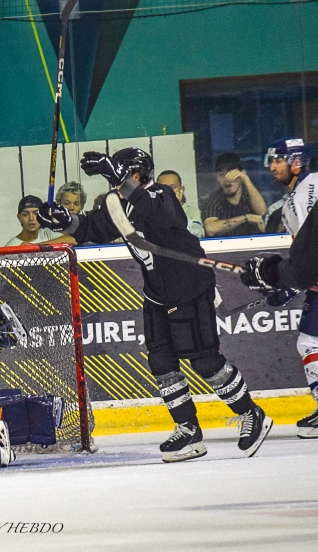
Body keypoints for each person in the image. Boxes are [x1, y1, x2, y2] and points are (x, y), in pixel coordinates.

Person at [37, 148, 272, 463]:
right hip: (157, 293)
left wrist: (118, 179)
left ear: (133, 175)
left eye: (117, 174)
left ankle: (252, 414)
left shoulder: (161, 193)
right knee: (162, 363)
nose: (112, 182)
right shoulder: (118, 203)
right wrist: (65, 220)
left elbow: (159, 215)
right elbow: (94, 227)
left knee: (204, 361)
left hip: (188, 286)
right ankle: (188, 428)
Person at [242, 138, 318, 438]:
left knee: (310, 343)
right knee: (310, 342)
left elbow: (311, 255)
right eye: (271, 160)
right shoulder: (298, 194)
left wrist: (287, 282)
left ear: (297, 162)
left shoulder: (305, 195)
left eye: (279, 160)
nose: (272, 166)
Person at [201, 153, 267, 237]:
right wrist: (245, 218)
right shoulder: (213, 200)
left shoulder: (250, 195)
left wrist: (246, 180)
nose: (227, 180)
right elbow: (210, 229)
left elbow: (262, 211)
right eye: (221, 175)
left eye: (231, 174)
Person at [6, 195, 75, 246]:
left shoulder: (46, 233)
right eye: (25, 214)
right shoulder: (12, 245)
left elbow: (71, 240)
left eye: (35, 213)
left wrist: (36, 246)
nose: (31, 218)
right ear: (19, 217)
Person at [156, 170, 204, 238]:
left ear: (181, 189)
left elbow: (198, 233)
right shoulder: (151, 210)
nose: (168, 192)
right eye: (163, 188)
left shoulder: (192, 211)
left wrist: (175, 208)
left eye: (172, 187)